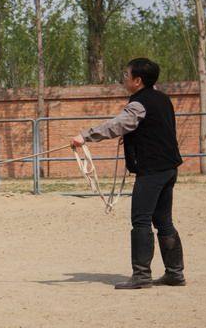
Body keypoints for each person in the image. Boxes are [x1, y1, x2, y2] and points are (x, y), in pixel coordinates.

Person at [70, 57, 185, 290]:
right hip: (167, 168)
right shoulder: (162, 99)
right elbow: (151, 130)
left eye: (126, 75)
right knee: (163, 220)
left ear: (138, 80)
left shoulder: (139, 104)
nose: (124, 79)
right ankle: (175, 273)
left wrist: (85, 136)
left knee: (140, 220)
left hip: (152, 170)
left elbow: (117, 124)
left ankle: (141, 275)